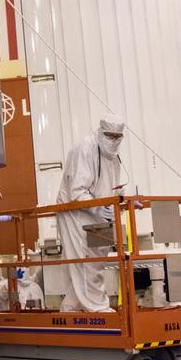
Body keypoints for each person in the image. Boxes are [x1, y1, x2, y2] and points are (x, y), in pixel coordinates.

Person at [56, 120, 126, 311]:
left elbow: (110, 186)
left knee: (97, 260)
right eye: (110, 136)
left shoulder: (112, 154)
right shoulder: (85, 149)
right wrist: (98, 208)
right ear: (101, 132)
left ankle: (70, 307)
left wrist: (122, 199)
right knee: (85, 260)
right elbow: (77, 190)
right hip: (76, 212)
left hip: (99, 212)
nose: (113, 140)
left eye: (117, 137)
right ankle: (96, 308)